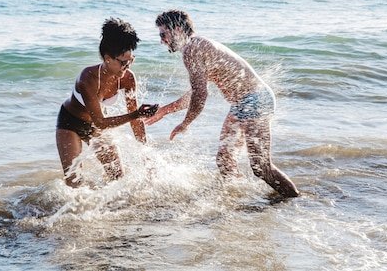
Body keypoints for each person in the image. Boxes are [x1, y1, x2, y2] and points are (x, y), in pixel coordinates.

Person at [145, 10, 299, 198]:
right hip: (242, 104)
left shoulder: (192, 49)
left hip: (254, 101)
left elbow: (201, 95)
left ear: (177, 29)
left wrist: (185, 123)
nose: (162, 40)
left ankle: (294, 200)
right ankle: (237, 200)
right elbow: (194, 93)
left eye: (163, 34)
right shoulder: (196, 46)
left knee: (261, 167)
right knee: (224, 160)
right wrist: (164, 111)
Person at [56, 18, 158, 187]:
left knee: (117, 177)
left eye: (131, 60)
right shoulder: (87, 78)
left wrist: (144, 150)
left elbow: (135, 119)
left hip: (95, 127)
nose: (127, 66)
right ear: (107, 58)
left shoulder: (128, 78)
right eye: (123, 62)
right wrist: (136, 114)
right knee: (74, 183)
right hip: (70, 123)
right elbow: (101, 122)